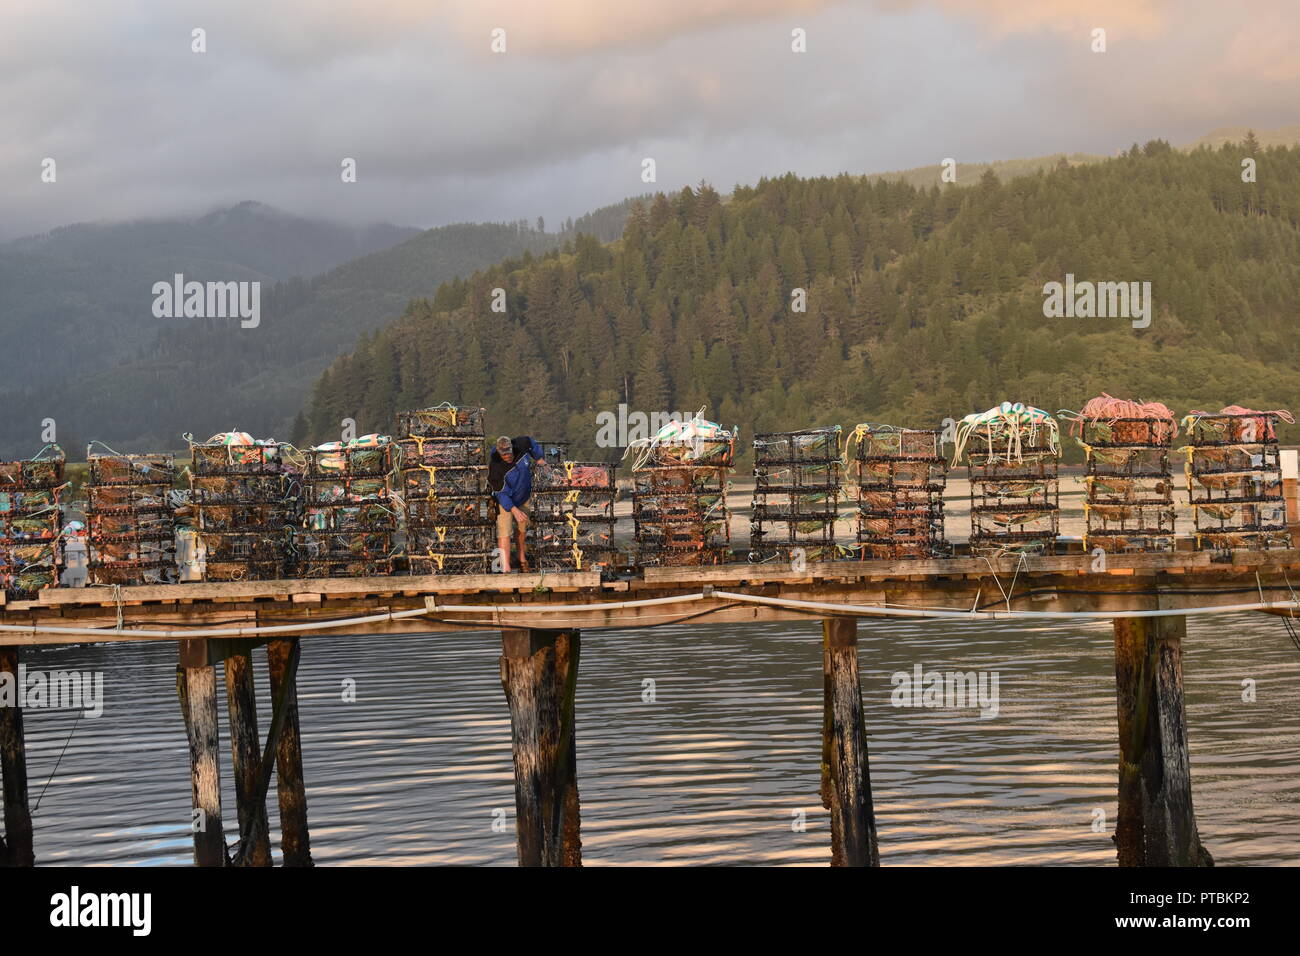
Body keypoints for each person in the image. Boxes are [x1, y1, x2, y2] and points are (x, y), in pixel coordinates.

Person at [488, 435, 544, 572]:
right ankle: (505, 567)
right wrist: (514, 509)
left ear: (512, 448)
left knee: (522, 529)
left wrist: (539, 458)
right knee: (504, 531)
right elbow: (501, 493)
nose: (508, 457)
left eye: (509, 453)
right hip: (505, 501)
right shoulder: (495, 466)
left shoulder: (521, 444)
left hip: (523, 496)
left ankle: (521, 559)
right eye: (504, 455)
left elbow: (531, 442)